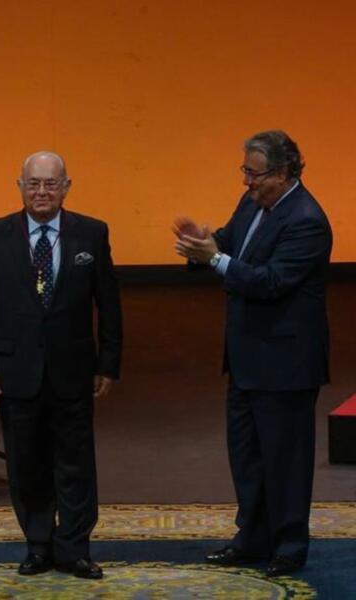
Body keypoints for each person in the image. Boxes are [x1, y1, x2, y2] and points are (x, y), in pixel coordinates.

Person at [173, 130, 332, 577]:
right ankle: (253, 537)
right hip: (245, 360)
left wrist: (215, 260)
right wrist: (201, 245)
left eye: (253, 173)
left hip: (286, 365)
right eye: (244, 171)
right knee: (248, 456)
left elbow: (271, 281)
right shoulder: (253, 204)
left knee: (285, 459)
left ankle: (288, 546)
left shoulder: (306, 220)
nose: (246, 182)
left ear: (282, 174)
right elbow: (228, 240)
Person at [0, 151, 122, 579]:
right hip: (16, 373)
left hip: (73, 370)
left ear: (66, 187)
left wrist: (108, 363)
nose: (41, 192)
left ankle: (73, 547)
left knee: (75, 462)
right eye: (33, 183)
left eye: (50, 184)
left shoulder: (91, 233)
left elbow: (108, 304)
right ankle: (38, 544)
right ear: (19, 186)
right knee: (27, 463)